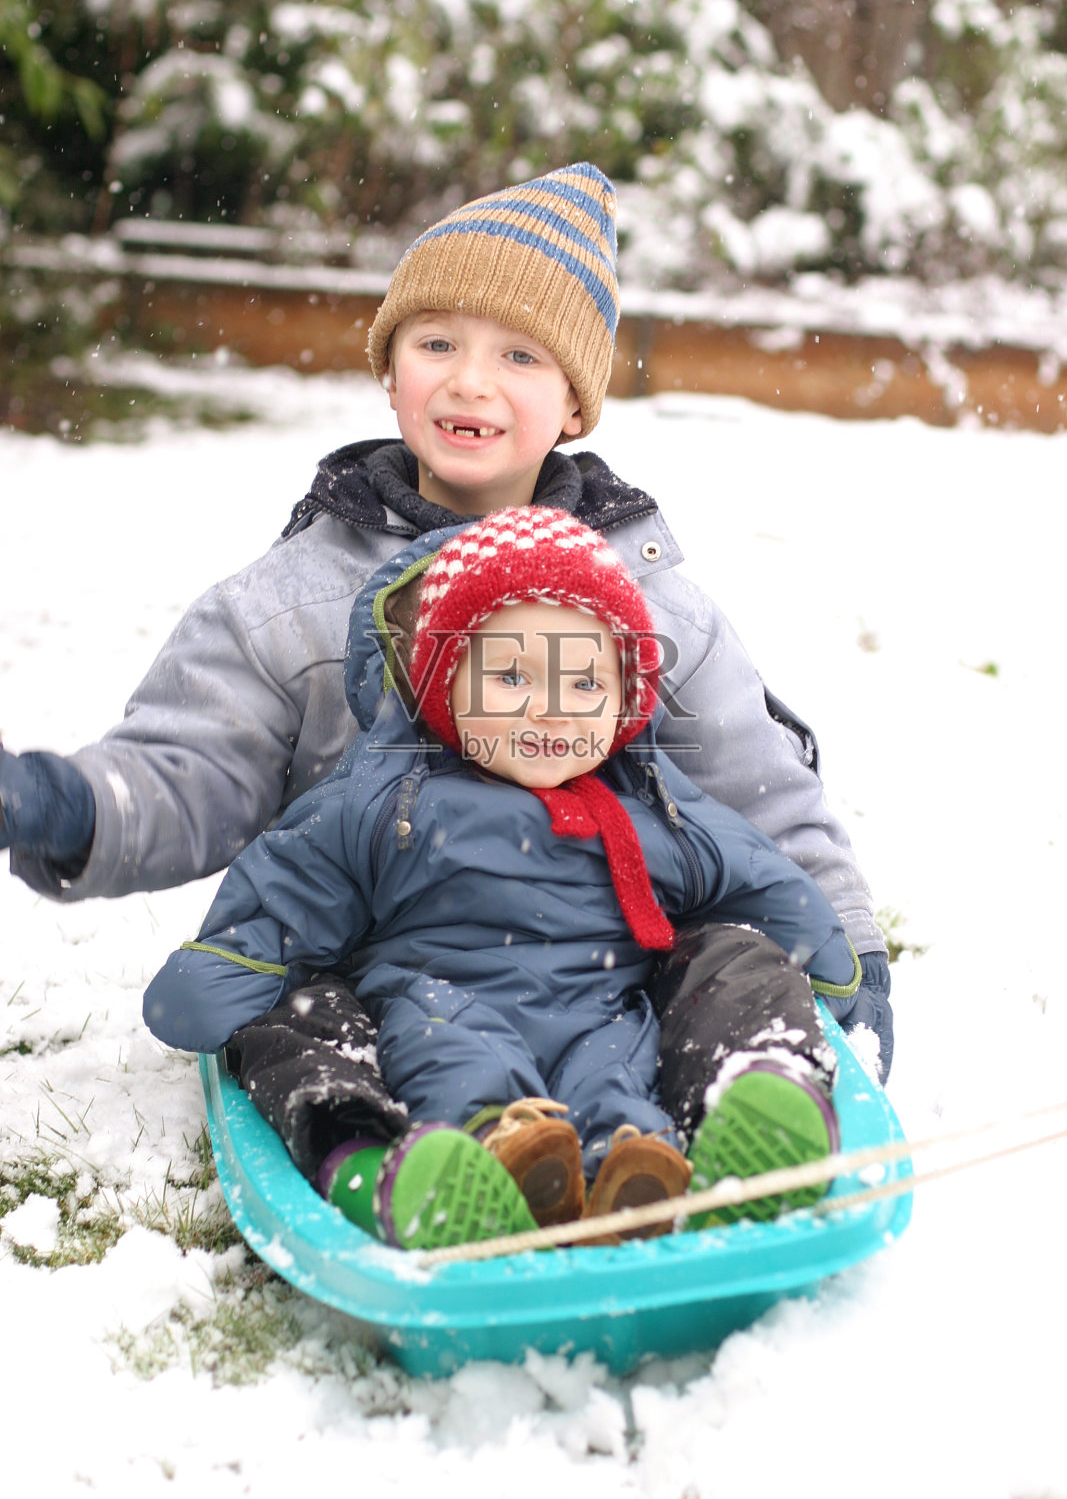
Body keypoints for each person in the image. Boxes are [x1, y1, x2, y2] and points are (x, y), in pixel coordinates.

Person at [0, 161, 892, 1150]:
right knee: (296, 1015)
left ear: (574, 405)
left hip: (609, 967)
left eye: (519, 355)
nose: (470, 379)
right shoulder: (294, 601)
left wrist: (847, 939)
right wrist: (72, 805)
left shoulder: (644, 606)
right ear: (389, 371)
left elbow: (756, 793)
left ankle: (746, 1102)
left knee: (729, 958)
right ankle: (387, 1154)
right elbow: (198, 763)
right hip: (380, 961)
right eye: (436, 343)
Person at [145, 507, 856, 1252]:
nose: (548, 708)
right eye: (511, 675)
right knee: (392, 1038)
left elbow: (757, 881)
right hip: (438, 997)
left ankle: (674, 1154)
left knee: (680, 1010)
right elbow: (291, 887)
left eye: (585, 683)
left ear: (626, 698)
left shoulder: (648, 801)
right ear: (444, 682)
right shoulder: (388, 794)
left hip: (608, 1004)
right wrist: (216, 977)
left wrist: (829, 966)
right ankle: (478, 1165)